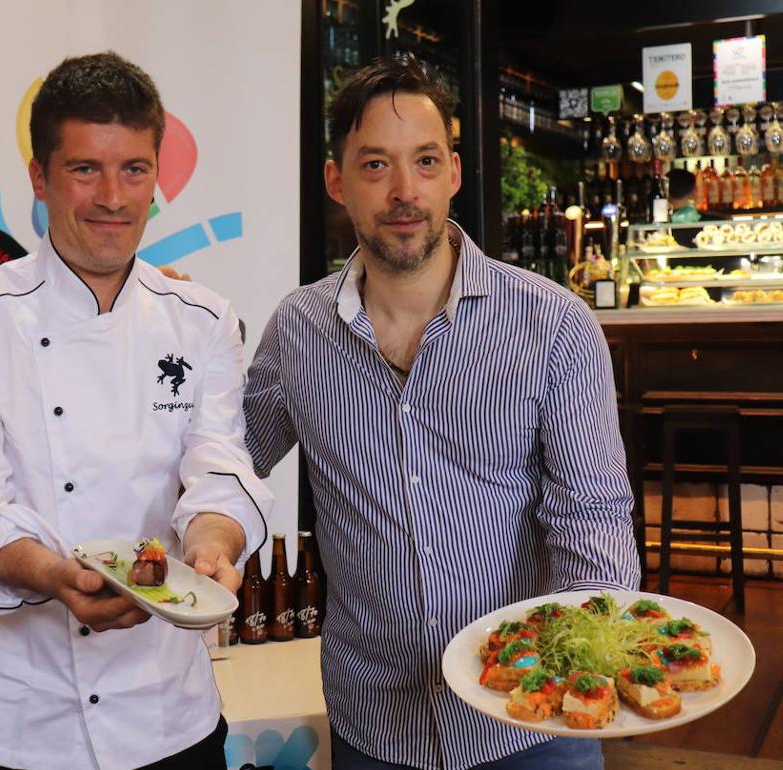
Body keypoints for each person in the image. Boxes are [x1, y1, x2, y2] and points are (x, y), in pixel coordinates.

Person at [243, 56, 639, 770]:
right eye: (374, 165)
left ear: (454, 173)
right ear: (337, 182)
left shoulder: (555, 325)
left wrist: (583, 661)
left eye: (425, 162)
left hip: (531, 726)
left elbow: (594, 518)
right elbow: (226, 462)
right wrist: (159, 343)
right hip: (375, 725)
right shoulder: (297, 331)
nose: (405, 191)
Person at [0, 51, 271, 770]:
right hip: (16, 725)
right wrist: (56, 577)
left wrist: (214, 544)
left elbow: (218, 463)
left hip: (170, 718)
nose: (113, 196)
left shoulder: (203, 317)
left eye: (134, 170)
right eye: (85, 169)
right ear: (39, 179)